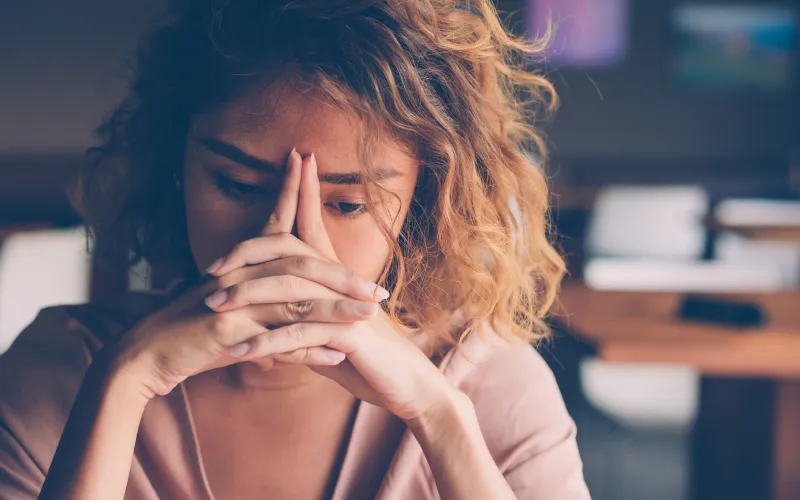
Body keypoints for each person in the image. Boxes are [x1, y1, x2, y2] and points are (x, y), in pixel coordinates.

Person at [0, 0, 591, 498]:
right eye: (236, 185)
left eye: (349, 203)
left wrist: (441, 419)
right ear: (175, 165)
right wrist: (125, 382)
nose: (284, 245)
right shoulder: (62, 374)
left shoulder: (490, 389)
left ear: (423, 201)